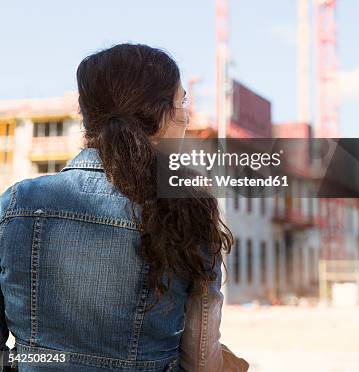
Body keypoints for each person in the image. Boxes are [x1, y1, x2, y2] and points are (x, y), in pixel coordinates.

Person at [0, 43, 249, 371]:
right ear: (159, 115)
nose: (187, 115)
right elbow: (200, 360)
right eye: (182, 100)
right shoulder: (189, 211)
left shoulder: (17, 205)